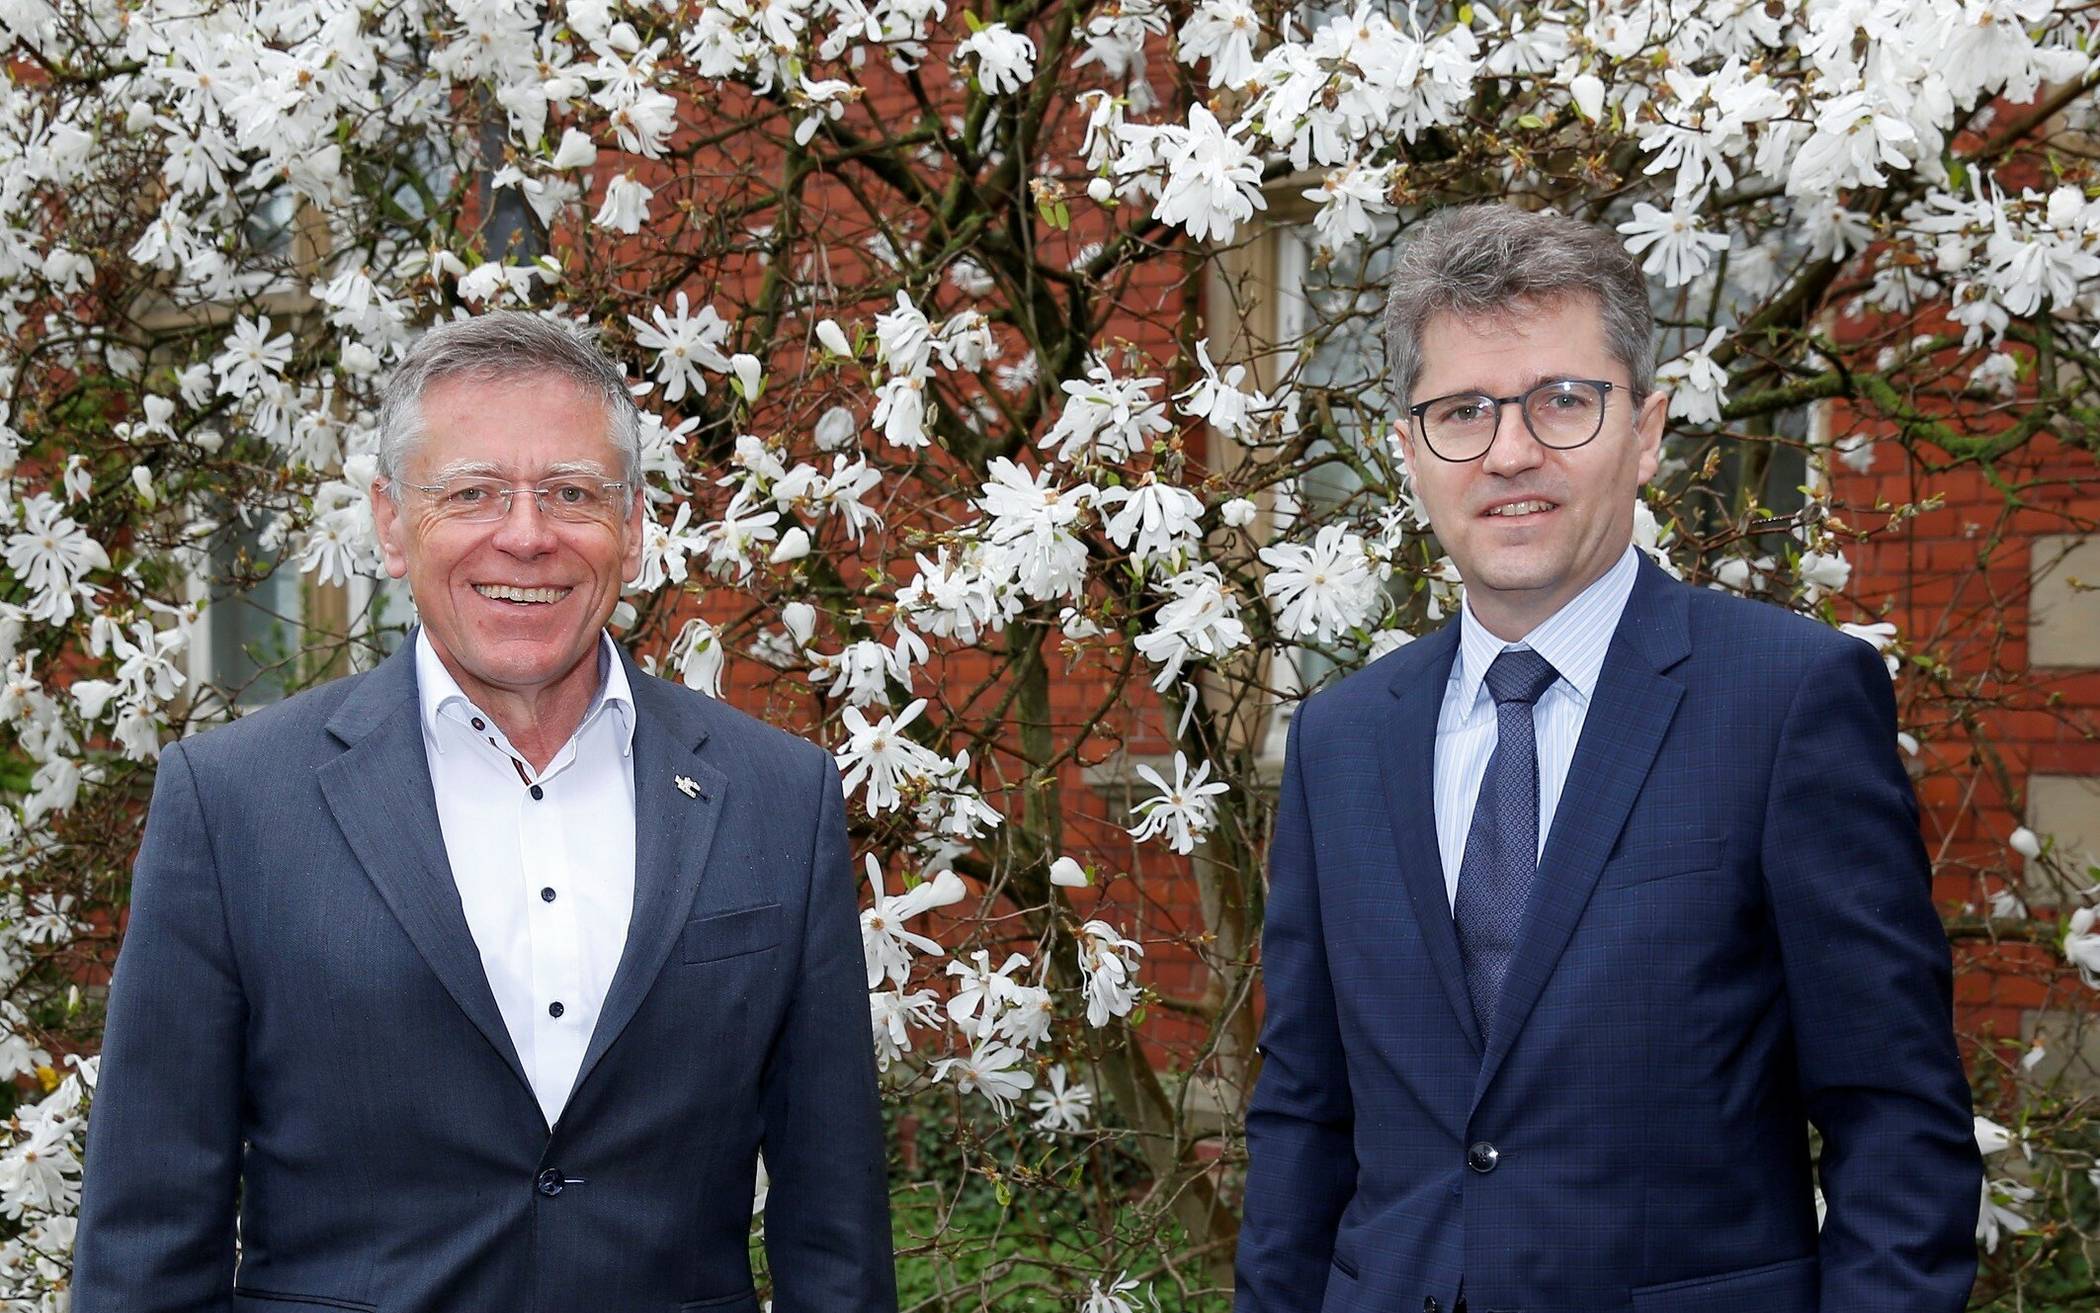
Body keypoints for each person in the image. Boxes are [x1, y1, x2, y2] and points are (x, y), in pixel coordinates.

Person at [1235, 205, 1979, 1313]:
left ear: (1647, 428)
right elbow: (1304, 1113)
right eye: (1462, 411)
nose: (1510, 450)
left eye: (1563, 401)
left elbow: (1897, 1118)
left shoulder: (1788, 702)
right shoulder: (1343, 738)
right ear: (1409, 449)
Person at [73, 312, 897, 1313]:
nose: (527, 533)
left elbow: (837, 1234)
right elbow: (148, 1236)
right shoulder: (232, 799)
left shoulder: (779, 796)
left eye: (571, 493)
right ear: (389, 522)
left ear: (633, 526)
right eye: (471, 491)